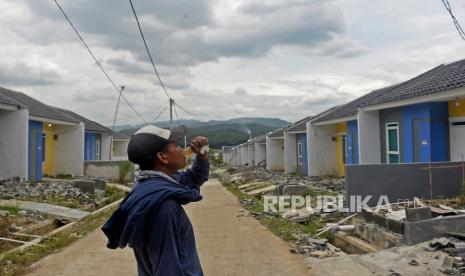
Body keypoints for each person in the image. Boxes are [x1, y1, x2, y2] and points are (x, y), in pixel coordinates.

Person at [102, 124, 209, 276]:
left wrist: (202, 156)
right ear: (162, 157)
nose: (181, 149)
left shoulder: (151, 184)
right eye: (175, 145)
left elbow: (192, 178)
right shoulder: (164, 207)